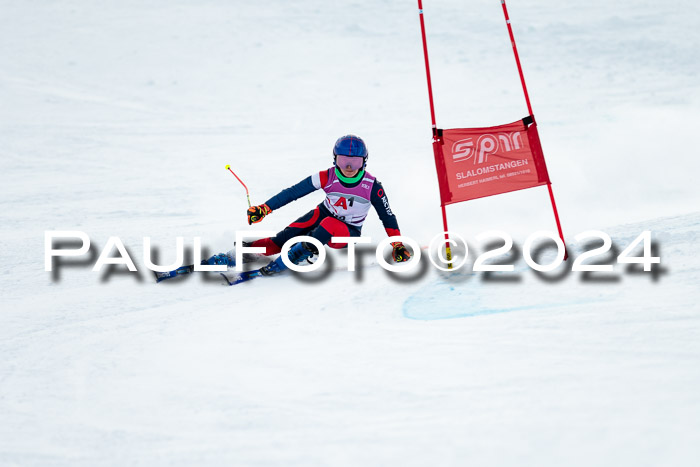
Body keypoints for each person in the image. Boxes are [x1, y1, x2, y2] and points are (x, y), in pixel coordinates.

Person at [207, 134, 411, 275]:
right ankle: (239, 254)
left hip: (347, 232)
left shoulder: (372, 186)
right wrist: (265, 208)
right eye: (343, 161)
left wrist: (397, 246)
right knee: (283, 238)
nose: (349, 167)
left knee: (329, 226)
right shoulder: (326, 176)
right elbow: (294, 192)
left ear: (364, 162)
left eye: (355, 162)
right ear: (335, 160)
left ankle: (299, 253)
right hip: (323, 215)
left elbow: (388, 217)